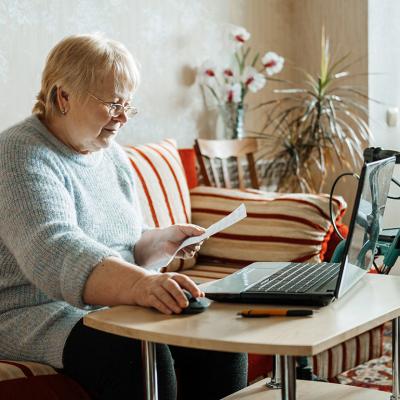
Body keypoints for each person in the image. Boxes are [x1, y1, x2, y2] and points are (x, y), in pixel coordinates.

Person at [0, 33, 247, 399]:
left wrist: (159, 242)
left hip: (109, 304)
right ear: (63, 96)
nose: (122, 118)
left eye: (127, 106)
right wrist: (138, 285)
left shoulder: (111, 154)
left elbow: (123, 243)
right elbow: (54, 251)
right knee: (136, 356)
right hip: (35, 313)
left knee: (216, 339)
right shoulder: (19, 153)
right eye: (113, 104)